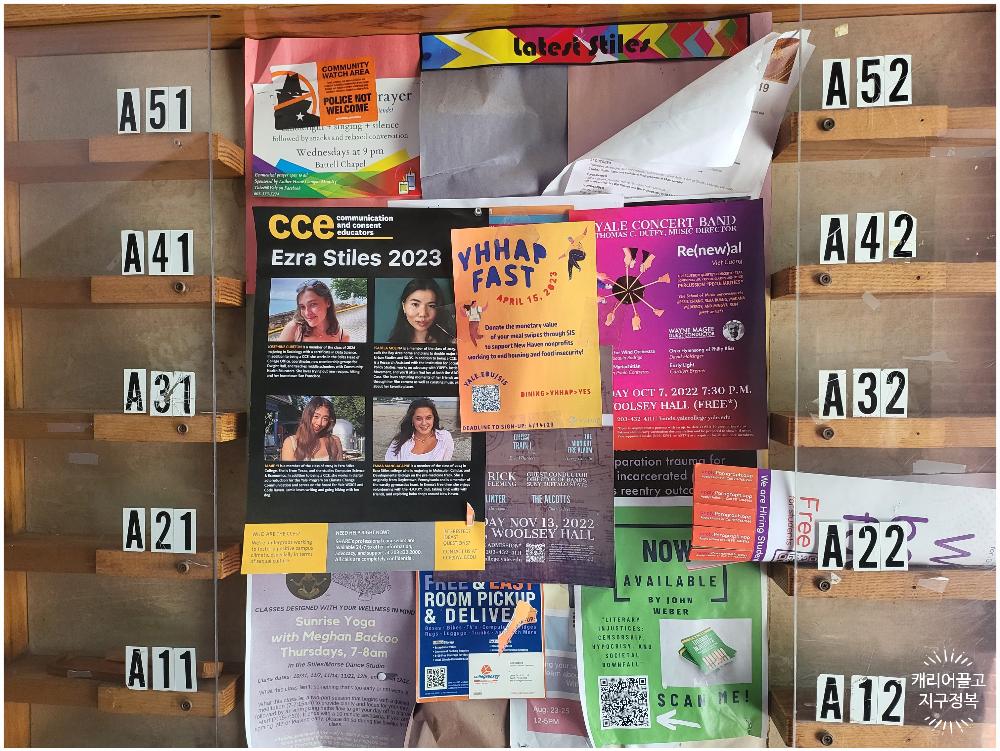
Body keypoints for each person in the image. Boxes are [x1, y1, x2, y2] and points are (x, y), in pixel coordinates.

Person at [277, 279, 350, 343]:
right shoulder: (294, 329)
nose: (307, 313)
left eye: (313, 304)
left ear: (328, 302)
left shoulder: (342, 337)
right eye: (302, 307)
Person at [387, 278, 456, 344]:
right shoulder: (392, 345)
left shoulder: (451, 343)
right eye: (415, 304)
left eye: (431, 306)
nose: (423, 314)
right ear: (404, 306)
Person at [384, 397, 454, 461]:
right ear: (412, 420)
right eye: (418, 418)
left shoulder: (444, 438)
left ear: (434, 419)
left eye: (428, 418)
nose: (424, 423)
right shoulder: (398, 442)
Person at [281, 396, 344, 461]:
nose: (319, 423)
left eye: (325, 419)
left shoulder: (334, 441)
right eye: (316, 416)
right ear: (307, 416)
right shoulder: (291, 443)